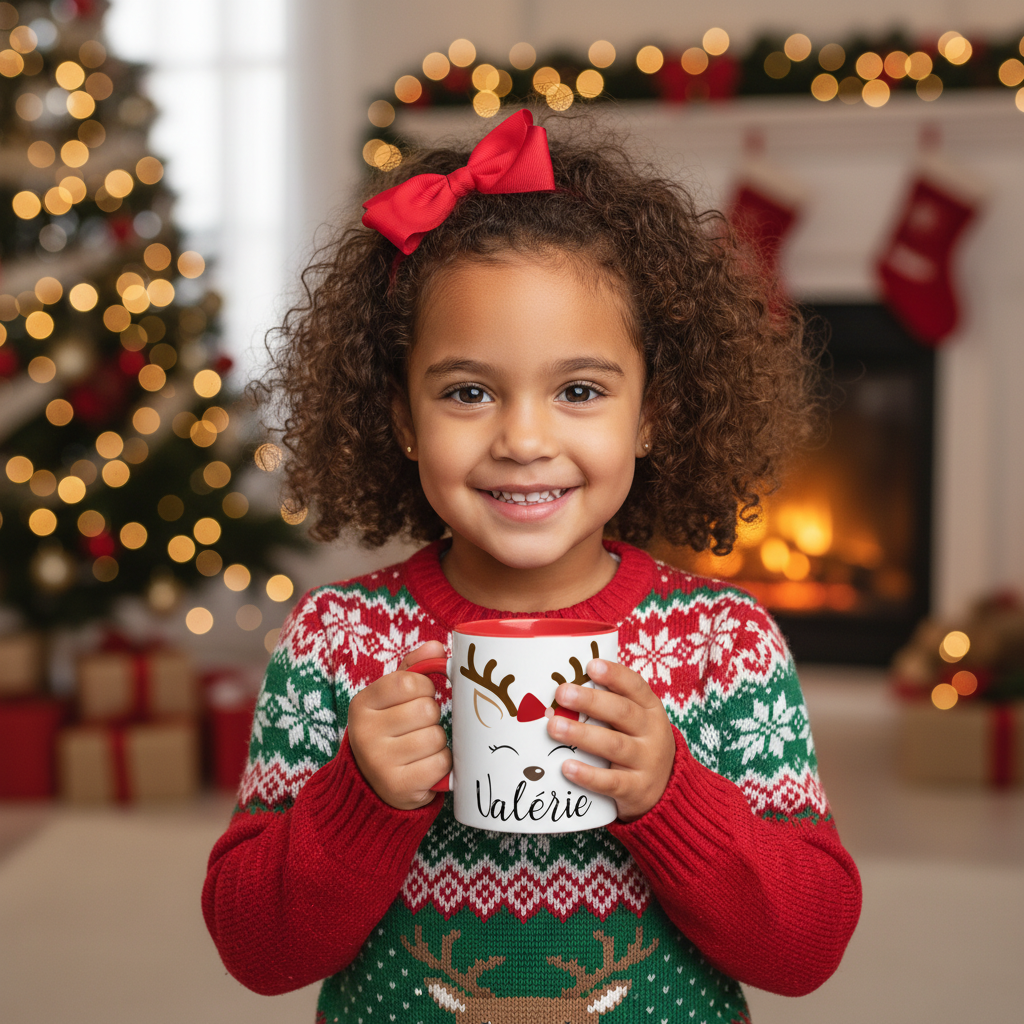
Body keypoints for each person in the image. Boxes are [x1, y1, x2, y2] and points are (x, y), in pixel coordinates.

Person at [203, 109, 861, 1023]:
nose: (522, 439)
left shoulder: (724, 644)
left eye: (579, 391)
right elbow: (256, 952)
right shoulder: (337, 641)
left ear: (652, 414)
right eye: (468, 392)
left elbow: (805, 947)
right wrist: (358, 797)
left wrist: (670, 794)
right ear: (400, 417)